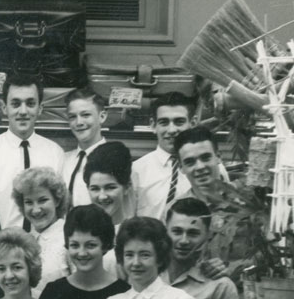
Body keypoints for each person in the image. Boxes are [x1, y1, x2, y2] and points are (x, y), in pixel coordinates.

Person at [174, 126, 267, 272]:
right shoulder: (174, 212)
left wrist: (231, 269)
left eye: (205, 158)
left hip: (243, 290)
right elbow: (166, 262)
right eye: (190, 162)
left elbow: (269, 254)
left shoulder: (250, 200)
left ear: (218, 156)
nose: (200, 167)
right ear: (181, 167)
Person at [0, 73, 64, 230]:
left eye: (30, 103)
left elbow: (60, 208)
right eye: (15, 104)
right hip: (3, 245)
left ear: (40, 108)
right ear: (4, 108)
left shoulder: (55, 152)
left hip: (45, 245)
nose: (23, 111)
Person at [132, 92, 197, 220]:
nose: (172, 130)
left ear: (193, 123)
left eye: (179, 122)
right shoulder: (136, 170)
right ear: (153, 125)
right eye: (164, 122)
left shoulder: (208, 168)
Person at [12, 166, 70, 293]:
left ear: (57, 200)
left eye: (42, 200)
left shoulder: (69, 238)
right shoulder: (24, 240)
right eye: (29, 202)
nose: (36, 209)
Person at [84, 142, 136, 253]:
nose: (102, 196)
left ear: (127, 187)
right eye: (95, 189)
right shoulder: (81, 234)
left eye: (110, 187)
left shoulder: (137, 234)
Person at [62, 88, 108, 207]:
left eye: (86, 115)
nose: (79, 122)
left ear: (102, 116)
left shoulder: (115, 160)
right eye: (72, 117)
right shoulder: (62, 160)